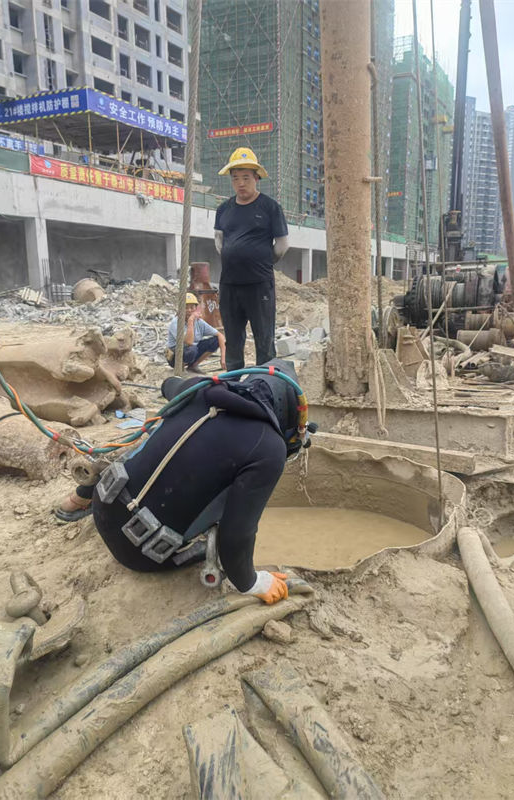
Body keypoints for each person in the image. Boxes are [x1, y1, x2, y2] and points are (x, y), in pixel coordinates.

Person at [55, 360, 310, 605]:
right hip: (138, 553)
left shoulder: (200, 389)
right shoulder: (269, 449)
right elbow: (236, 534)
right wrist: (251, 583)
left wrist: (186, 383)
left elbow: (168, 384)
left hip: (102, 506)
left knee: (154, 443)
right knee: (234, 491)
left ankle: (79, 499)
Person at [214, 148, 289, 371]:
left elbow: (282, 245)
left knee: (264, 340)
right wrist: (234, 258)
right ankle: (233, 385)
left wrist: (261, 262)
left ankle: (263, 383)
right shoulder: (223, 209)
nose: (241, 183)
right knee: (233, 340)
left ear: (256, 178)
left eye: (246, 178)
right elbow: (219, 242)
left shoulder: (270, 207)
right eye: (236, 178)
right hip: (229, 285)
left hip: (259, 285)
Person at [167, 292, 226, 374]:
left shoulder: (199, 322)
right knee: (192, 349)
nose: (189, 310)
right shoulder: (176, 322)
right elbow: (189, 342)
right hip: (176, 356)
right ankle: (181, 368)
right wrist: (191, 320)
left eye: (192, 307)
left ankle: (193, 365)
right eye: (186, 308)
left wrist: (223, 358)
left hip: (192, 351)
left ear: (196, 308)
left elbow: (220, 335)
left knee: (215, 341)